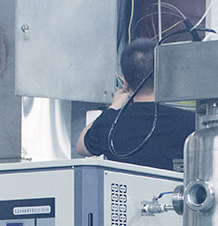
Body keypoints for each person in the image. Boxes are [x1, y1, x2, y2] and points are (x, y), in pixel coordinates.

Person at [76, 38, 195, 170]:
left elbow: (81, 147)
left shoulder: (110, 123)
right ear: (164, 78)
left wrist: (113, 107)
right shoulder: (190, 122)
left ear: (125, 83)